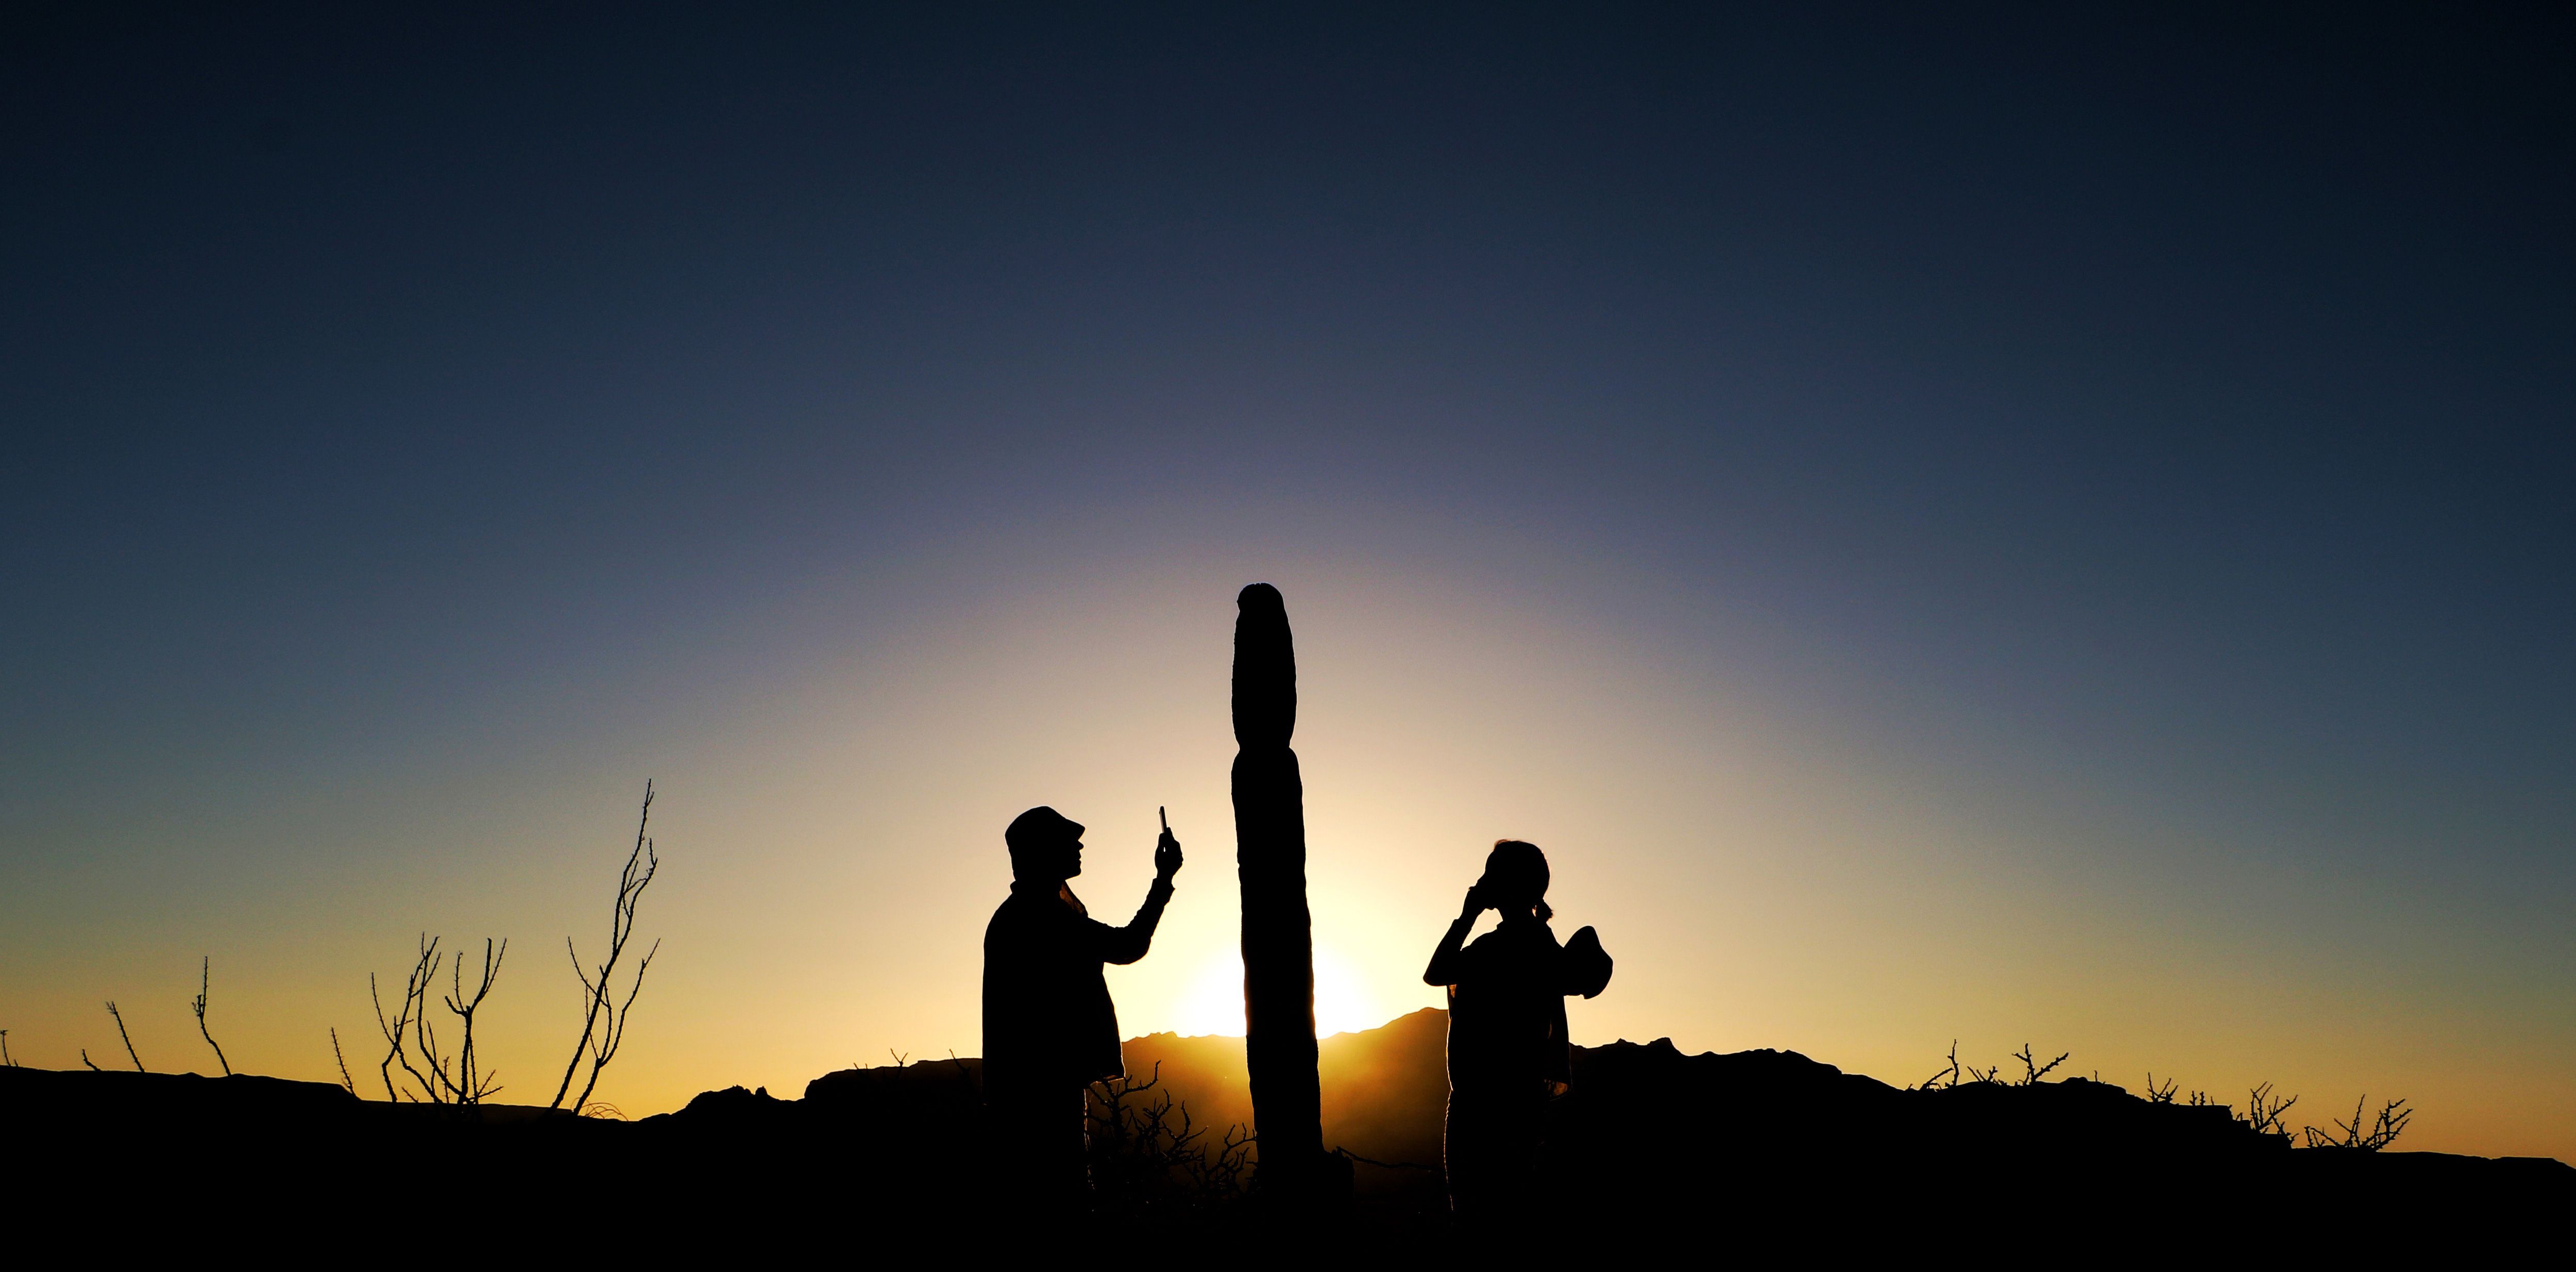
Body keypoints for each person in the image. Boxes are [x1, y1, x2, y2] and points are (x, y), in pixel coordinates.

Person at [982, 805, 1182, 1211]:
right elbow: (1128, 946)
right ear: (1042, 852)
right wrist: (1163, 881)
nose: (1079, 845)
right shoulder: (1045, 918)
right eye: (1067, 840)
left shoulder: (1020, 915)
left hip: (1027, 1089)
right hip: (1045, 1090)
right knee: (1062, 1198)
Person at [1422, 839, 1612, 1228]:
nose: (1480, 881)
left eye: (1490, 873)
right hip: (1522, 1103)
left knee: (1482, 1220)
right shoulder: (1541, 944)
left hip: (1482, 1107)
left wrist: (1467, 915)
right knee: (1510, 1215)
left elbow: (1435, 972)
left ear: (1505, 884)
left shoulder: (1495, 950)